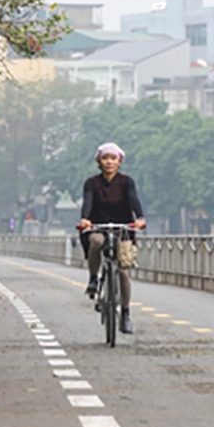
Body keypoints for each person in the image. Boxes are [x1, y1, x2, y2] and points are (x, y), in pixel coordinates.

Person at [79, 142, 146, 334]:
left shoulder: (127, 182)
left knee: (123, 271)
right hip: (97, 225)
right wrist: (85, 219)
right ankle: (93, 279)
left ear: (119, 162)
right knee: (96, 242)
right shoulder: (92, 183)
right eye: (105, 158)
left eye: (113, 158)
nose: (109, 162)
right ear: (99, 161)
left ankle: (125, 313)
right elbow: (88, 202)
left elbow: (133, 199)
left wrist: (140, 218)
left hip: (123, 227)